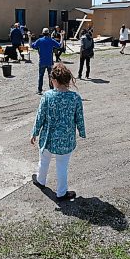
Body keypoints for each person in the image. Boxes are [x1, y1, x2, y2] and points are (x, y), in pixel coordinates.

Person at [30, 63, 86, 201]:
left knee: (44, 161)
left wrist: (34, 132)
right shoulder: (75, 97)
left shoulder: (47, 96)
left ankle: (41, 180)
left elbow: (40, 116)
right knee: (62, 166)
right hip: (66, 139)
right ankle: (61, 193)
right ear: (67, 80)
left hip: (48, 137)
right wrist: (82, 132)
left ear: (54, 80)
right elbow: (79, 117)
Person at [31, 28, 62, 95]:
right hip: (50, 62)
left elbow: (31, 46)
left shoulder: (39, 40)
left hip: (42, 61)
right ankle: (51, 89)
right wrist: (62, 36)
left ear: (42, 33)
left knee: (40, 76)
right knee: (50, 76)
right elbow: (60, 45)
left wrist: (29, 38)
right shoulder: (51, 40)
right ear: (48, 33)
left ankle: (39, 90)